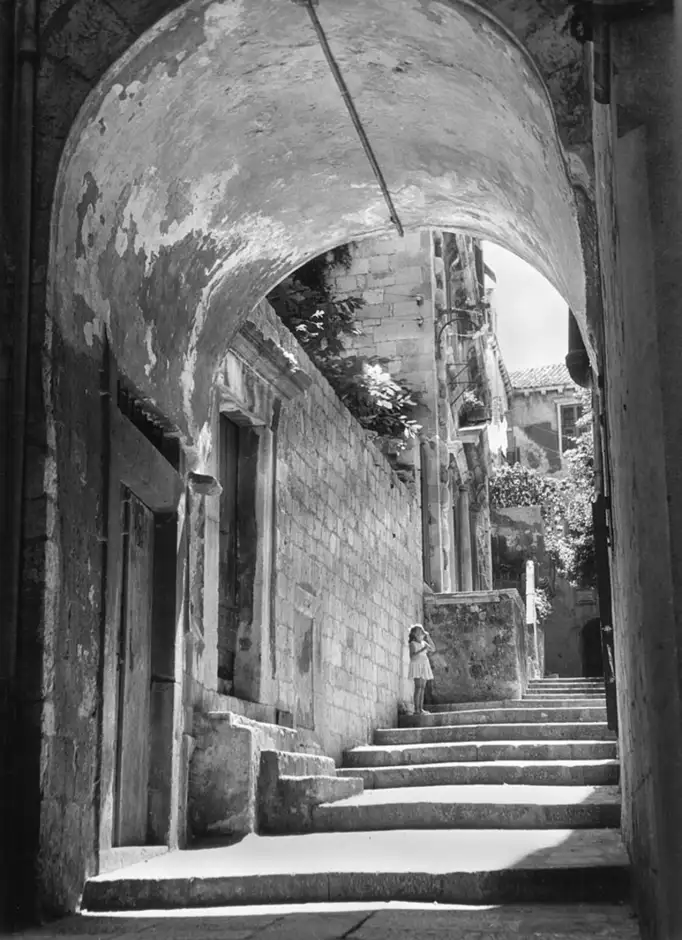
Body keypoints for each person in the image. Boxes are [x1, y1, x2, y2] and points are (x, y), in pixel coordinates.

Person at [408, 623, 435, 715]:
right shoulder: (412, 644)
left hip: (424, 665)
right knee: (418, 687)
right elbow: (412, 656)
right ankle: (416, 709)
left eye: (421, 631)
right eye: (418, 632)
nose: (421, 633)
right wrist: (422, 650)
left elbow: (433, 649)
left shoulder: (424, 643)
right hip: (417, 665)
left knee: (422, 687)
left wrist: (428, 637)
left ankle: (420, 709)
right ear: (414, 634)